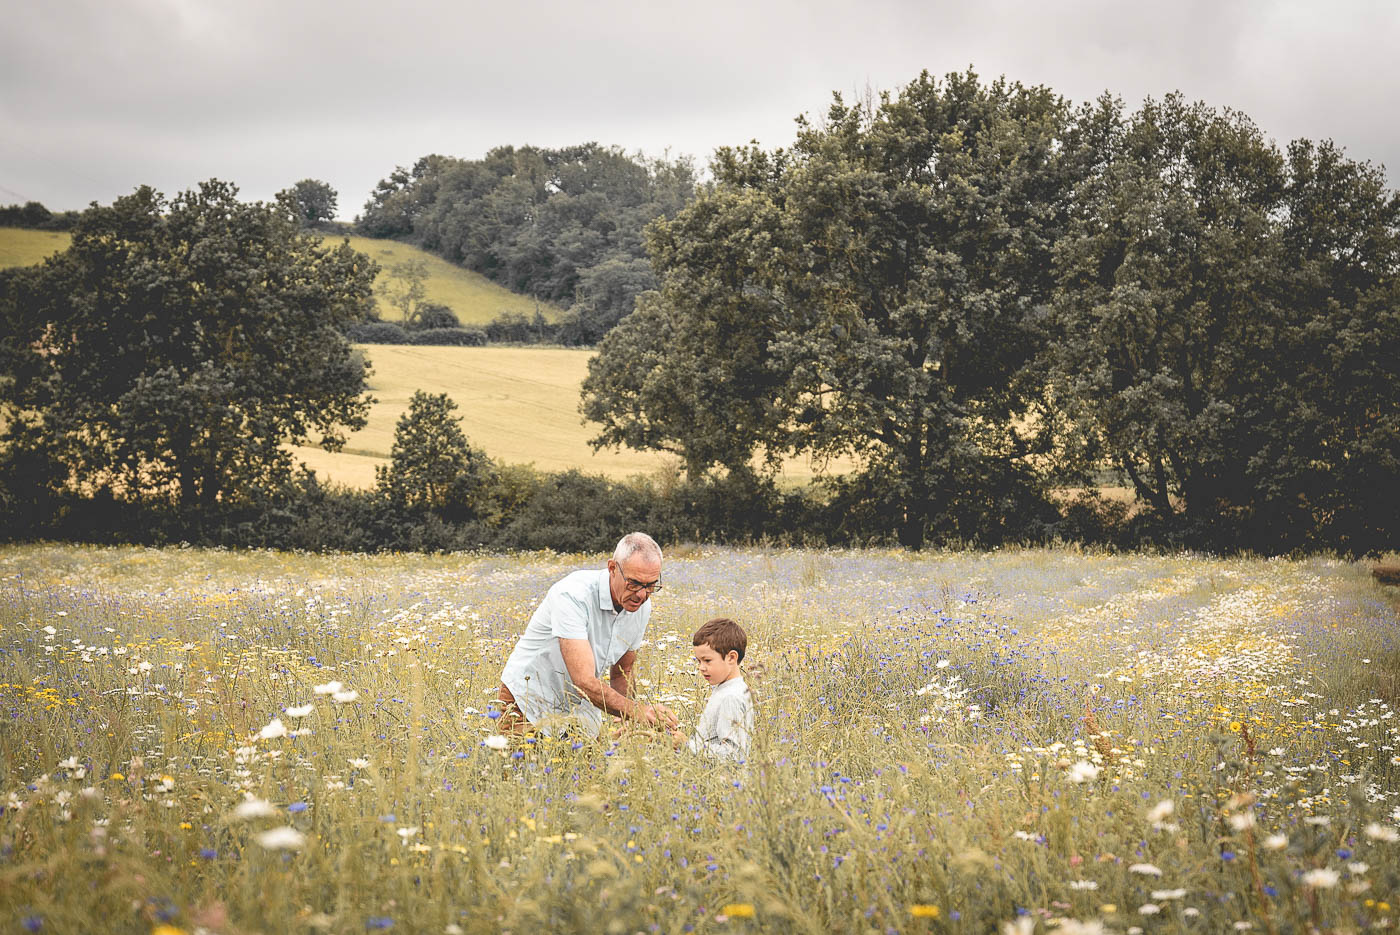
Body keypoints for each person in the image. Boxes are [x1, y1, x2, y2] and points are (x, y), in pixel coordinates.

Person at [498, 532, 677, 738]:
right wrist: (637, 710)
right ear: (612, 568)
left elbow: (622, 670)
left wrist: (630, 720)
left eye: (650, 585)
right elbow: (583, 680)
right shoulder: (573, 595)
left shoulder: (640, 605)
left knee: (591, 769)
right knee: (527, 769)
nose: (642, 594)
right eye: (634, 583)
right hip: (528, 701)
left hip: (582, 706)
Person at [670, 617, 754, 761]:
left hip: (726, 782)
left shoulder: (731, 697)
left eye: (707, 660)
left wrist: (687, 745)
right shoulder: (725, 689)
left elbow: (734, 755)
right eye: (698, 661)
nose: (701, 667)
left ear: (731, 658)